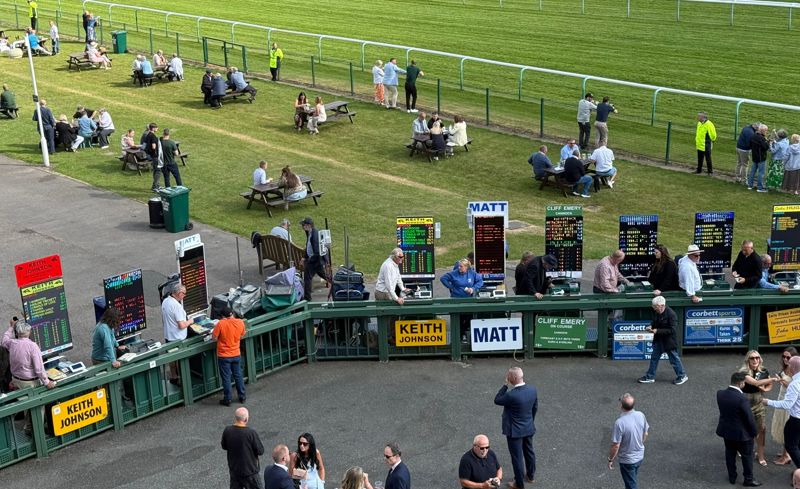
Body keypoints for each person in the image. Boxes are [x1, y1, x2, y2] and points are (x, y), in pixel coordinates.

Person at [2, 320, 56, 435]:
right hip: (30, 383)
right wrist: (47, 382)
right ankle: (36, 432)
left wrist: (11, 327)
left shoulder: (12, 343)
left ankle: (28, 427)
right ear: (29, 332)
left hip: (16, 381)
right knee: (37, 408)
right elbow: (39, 369)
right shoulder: (32, 346)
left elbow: (4, 341)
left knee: (26, 407)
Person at [494, 367, 538, 488]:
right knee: (529, 452)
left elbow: (497, 400)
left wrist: (505, 385)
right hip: (529, 427)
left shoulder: (511, 395)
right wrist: (529, 422)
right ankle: (530, 476)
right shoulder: (532, 390)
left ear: (512, 378)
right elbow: (535, 408)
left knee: (517, 458)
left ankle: (519, 484)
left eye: (508, 377)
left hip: (514, 431)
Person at [718, 371, 762, 487]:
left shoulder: (720, 394)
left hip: (727, 432)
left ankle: (732, 477)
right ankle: (748, 479)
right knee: (747, 456)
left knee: (730, 453)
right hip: (743, 435)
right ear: (741, 383)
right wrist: (755, 432)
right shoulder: (742, 399)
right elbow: (749, 418)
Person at [637, 296, 688, 384]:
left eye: (655, 306)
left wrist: (657, 331)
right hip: (659, 340)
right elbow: (654, 322)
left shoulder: (671, 314)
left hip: (669, 341)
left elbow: (672, 330)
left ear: (662, 305)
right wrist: (651, 326)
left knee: (674, 360)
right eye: (653, 306)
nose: (653, 308)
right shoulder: (657, 312)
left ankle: (682, 375)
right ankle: (650, 376)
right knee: (654, 358)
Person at [764, 356, 800, 469]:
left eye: (789, 364)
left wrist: (767, 402)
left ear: (792, 367)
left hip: (796, 420)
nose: (787, 365)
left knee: (790, 446)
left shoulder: (794, 384)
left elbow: (787, 404)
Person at [607, 393, 649, 489]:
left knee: (631, 485)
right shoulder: (641, 415)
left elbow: (616, 445)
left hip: (627, 460)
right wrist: (639, 443)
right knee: (632, 478)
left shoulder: (619, 423)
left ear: (621, 405)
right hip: (639, 455)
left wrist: (610, 459)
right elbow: (645, 433)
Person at [739, 350, 773, 467]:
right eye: (752, 358)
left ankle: (760, 455)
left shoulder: (764, 370)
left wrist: (766, 389)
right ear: (747, 360)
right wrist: (773, 379)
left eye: (757, 358)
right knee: (744, 429)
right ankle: (741, 448)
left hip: (758, 402)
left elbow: (769, 385)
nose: (755, 360)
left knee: (762, 429)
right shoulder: (743, 372)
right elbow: (755, 383)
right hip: (745, 403)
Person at [221, 407, 265, 489]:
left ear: (236, 418)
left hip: (235, 471)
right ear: (246, 419)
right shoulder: (250, 433)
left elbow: (224, 446)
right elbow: (260, 451)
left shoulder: (227, 430)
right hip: (250, 471)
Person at [212, 305, 246, 406]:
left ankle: (228, 399)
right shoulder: (240, 322)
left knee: (226, 378)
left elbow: (214, 338)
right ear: (231, 313)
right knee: (238, 375)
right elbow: (242, 334)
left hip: (224, 355)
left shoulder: (221, 324)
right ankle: (242, 396)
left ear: (223, 316)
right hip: (236, 353)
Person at [772, 347, 799, 466]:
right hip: (782, 398)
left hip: (789, 404)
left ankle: (786, 456)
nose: (785, 359)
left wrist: (781, 381)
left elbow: (793, 388)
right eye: (783, 357)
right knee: (783, 428)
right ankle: (785, 453)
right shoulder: (787, 368)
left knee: (788, 433)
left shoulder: (795, 372)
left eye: (788, 357)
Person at [162, 282, 191, 384]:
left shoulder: (165, 301)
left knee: (172, 359)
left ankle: (174, 377)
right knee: (180, 360)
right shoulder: (177, 306)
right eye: (184, 293)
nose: (185, 296)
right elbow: (182, 325)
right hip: (178, 338)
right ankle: (183, 380)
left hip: (168, 336)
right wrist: (190, 321)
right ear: (179, 293)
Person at [300, 217, 328, 301]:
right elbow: (308, 246)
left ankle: (307, 299)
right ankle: (335, 284)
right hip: (316, 261)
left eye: (303, 225)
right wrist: (304, 257)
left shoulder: (315, 235)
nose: (302, 226)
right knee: (324, 275)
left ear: (309, 225)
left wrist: (309, 260)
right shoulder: (310, 232)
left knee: (307, 278)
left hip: (315, 260)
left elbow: (317, 252)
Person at [748, 123, 769, 192]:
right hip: (761, 158)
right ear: (763, 131)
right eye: (766, 131)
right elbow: (765, 147)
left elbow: (750, 144)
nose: (766, 132)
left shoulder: (753, 136)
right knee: (761, 173)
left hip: (754, 157)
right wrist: (768, 142)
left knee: (752, 171)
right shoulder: (761, 138)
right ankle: (760, 188)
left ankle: (750, 185)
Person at [143, 123, 162, 192]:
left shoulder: (148, 135)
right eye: (156, 127)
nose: (157, 129)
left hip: (151, 155)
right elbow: (154, 146)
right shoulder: (153, 136)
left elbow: (144, 145)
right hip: (155, 156)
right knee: (158, 171)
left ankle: (156, 185)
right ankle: (155, 187)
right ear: (153, 128)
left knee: (155, 170)